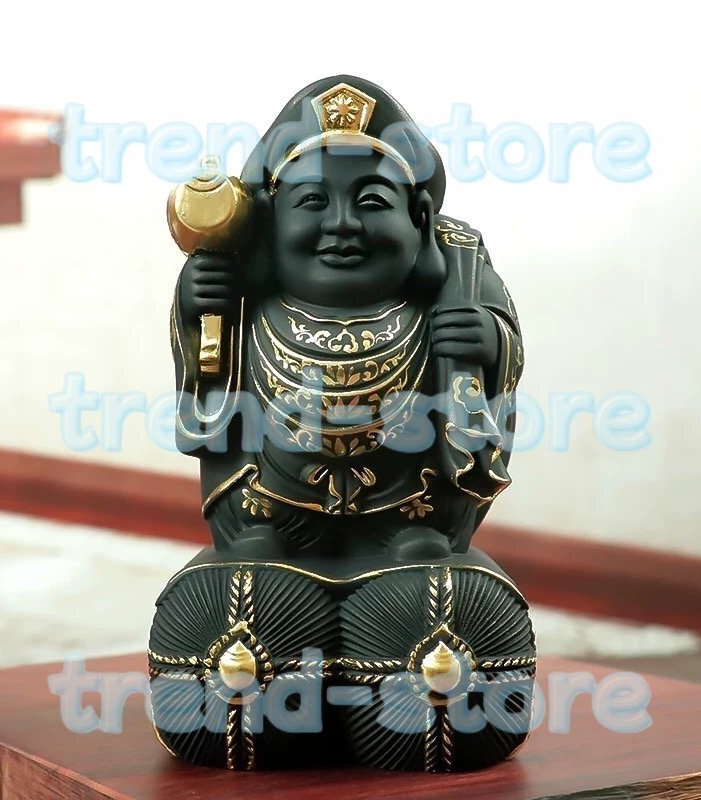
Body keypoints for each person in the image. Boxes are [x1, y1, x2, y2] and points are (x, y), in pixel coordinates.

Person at [171, 75, 523, 563]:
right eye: (312, 201)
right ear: (270, 219)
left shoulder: (460, 276)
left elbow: (503, 350)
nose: (342, 223)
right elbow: (205, 366)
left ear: (420, 217)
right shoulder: (248, 295)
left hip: (411, 497)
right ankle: (263, 538)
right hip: (272, 492)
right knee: (251, 570)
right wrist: (201, 304)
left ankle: (413, 542)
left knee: (430, 574)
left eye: (372, 201)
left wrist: (490, 341)